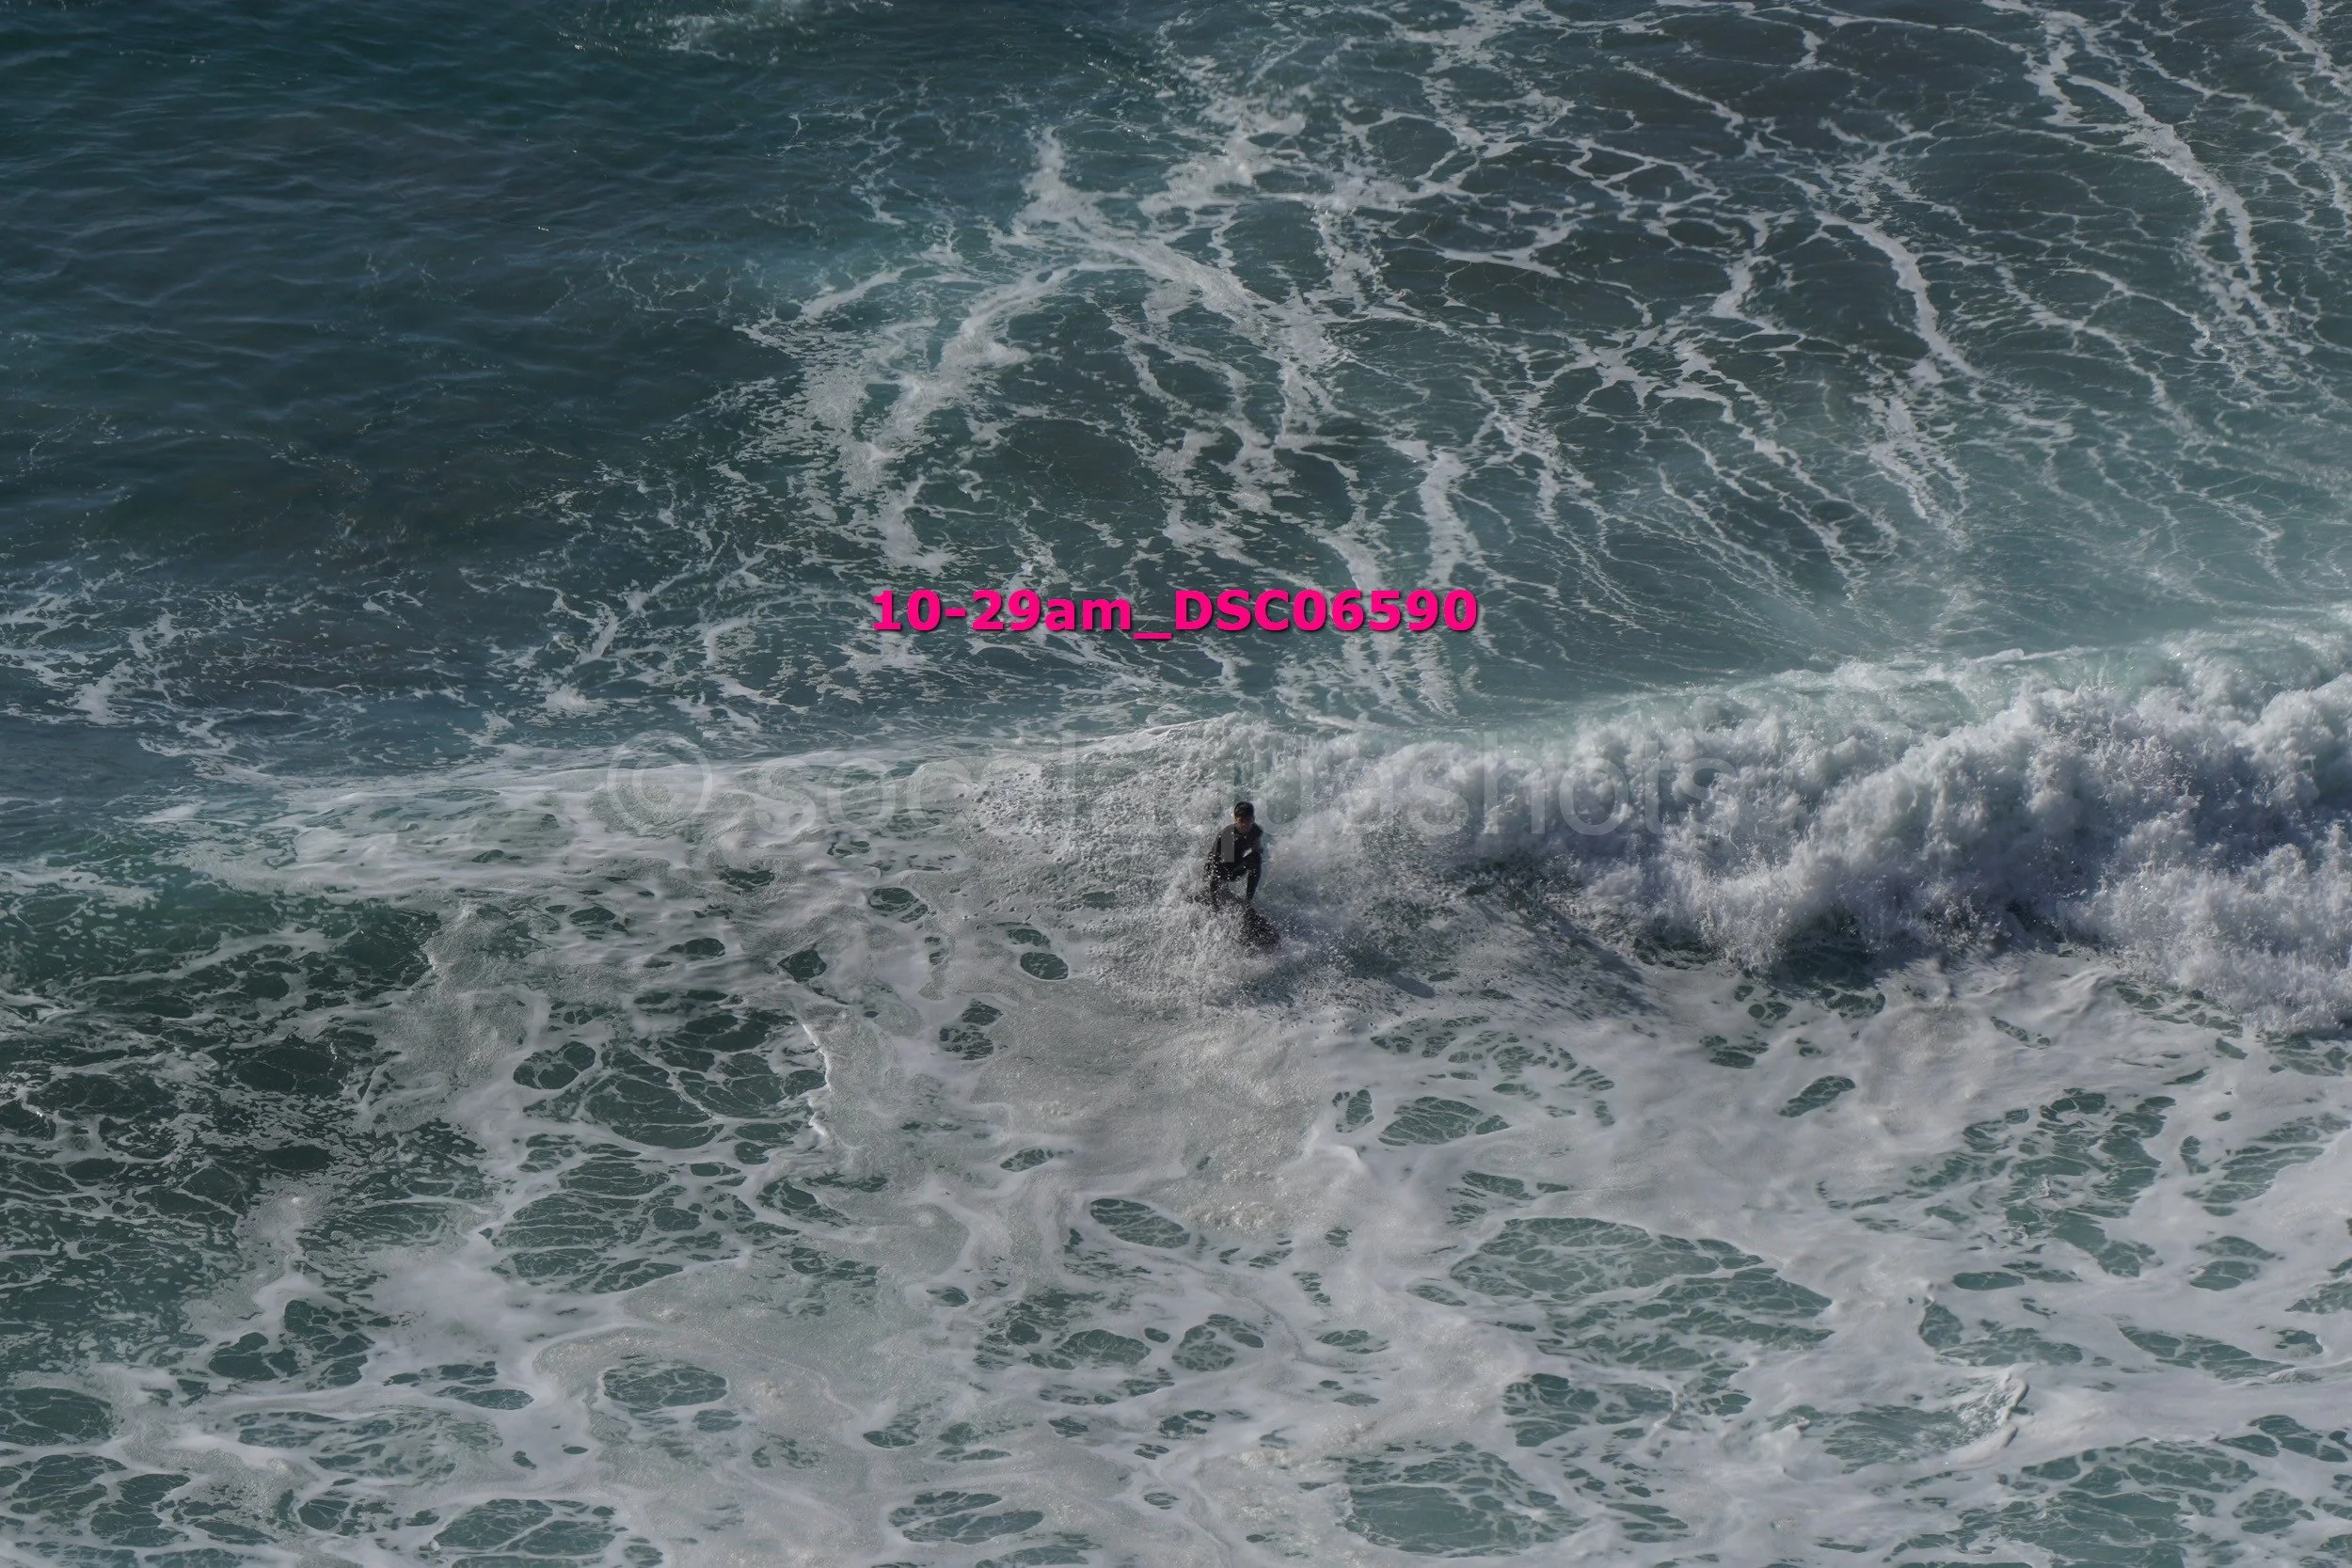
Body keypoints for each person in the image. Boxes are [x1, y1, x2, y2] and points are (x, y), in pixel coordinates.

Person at [1204, 800, 1264, 905]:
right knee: (1218, 870)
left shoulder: (1256, 831)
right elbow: (1215, 869)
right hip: (1219, 870)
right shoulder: (1227, 835)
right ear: (1235, 820)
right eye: (1241, 821)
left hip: (1236, 867)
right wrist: (1214, 903)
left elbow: (1257, 853)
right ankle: (1216, 897)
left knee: (1257, 858)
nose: (1245, 825)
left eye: (1248, 820)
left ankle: (1248, 902)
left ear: (1253, 819)